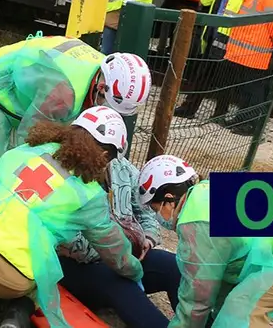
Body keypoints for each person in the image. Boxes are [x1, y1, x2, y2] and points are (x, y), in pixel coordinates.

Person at [0, 107, 144, 328]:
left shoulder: (28, 149)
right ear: (105, 155)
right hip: (6, 277)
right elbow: (115, 252)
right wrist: (135, 270)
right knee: (45, 275)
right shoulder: (89, 194)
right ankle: (15, 320)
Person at [138, 155, 273, 327]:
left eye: (156, 209)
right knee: (229, 302)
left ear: (168, 198)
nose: (159, 217)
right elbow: (220, 282)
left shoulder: (196, 220)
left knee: (242, 312)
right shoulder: (206, 192)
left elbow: (197, 297)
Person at [0, 35, 152, 192]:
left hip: (23, 77)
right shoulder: (63, 95)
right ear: (101, 87)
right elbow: (29, 141)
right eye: (108, 105)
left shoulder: (102, 68)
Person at [57, 108, 181, 327]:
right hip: (81, 266)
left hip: (124, 256)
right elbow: (71, 244)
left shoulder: (123, 169)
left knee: (173, 267)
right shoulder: (64, 176)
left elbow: (145, 210)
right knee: (121, 285)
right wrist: (122, 250)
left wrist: (147, 240)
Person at [176, 0, 251, 120]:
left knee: (224, 78)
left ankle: (219, 114)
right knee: (202, 75)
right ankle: (189, 108)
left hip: (229, 39)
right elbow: (204, 0)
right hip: (212, 34)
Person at [220, 0, 273, 136]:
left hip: (254, 51)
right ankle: (242, 119)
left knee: (252, 88)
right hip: (247, 50)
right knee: (245, 87)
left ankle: (249, 124)